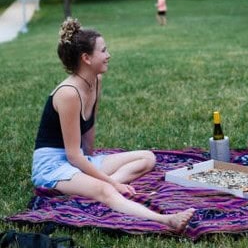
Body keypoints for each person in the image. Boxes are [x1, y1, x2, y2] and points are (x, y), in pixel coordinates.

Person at [32, 18, 195, 231]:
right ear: (86, 58)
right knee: (106, 190)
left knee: (147, 158)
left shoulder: (96, 81)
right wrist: (113, 183)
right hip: (52, 166)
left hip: (78, 159)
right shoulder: (68, 94)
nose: (109, 55)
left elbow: (87, 139)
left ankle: (99, 188)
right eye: (104, 50)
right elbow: (73, 155)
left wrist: (94, 165)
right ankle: (167, 221)